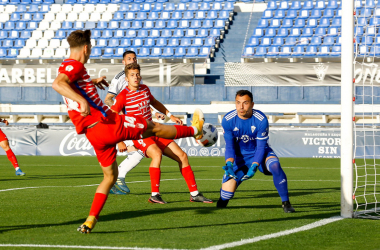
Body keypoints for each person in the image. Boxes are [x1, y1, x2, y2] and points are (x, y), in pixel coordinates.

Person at [52, 30, 205, 233]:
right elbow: (58, 83)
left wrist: (92, 83)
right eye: (90, 50)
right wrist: (81, 100)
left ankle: (90, 220)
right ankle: (194, 130)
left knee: (110, 177)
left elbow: (71, 84)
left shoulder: (72, 67)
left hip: (93, 135)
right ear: (86, 48)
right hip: (106, 123)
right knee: (153, 127)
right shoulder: (75, 65)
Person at [111, 62, 213, 204]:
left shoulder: (145, 89)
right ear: (126, 79)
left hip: (155, 131)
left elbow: (154, 102)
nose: (136, 77)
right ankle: (155, 195)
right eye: (132, 75)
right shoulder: (122, 96)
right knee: (156, 154)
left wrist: (170, 115)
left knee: (182, 156)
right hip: (139, 134)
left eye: (137, 74)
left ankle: (195, 194)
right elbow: (113, 117)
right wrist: (119, 140)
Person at [216, 90, 295, 213]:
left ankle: (286, 203)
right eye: (238, 103)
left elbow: (260, 147)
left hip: (260, 153)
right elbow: (230, 147)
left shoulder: (261, 120)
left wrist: (254, 166)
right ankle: (223, 198)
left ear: (252, 104)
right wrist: (229, 164)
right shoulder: (228, 120)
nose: (241, 107)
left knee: (275, 165)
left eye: (245, 103)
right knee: (226, 196)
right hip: (240, 158)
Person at [103, 50, 164, 195]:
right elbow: (108, 99)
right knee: (141, 150)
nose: (132, 60)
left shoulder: (136, 77)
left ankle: (114, 179)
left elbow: (139, 100)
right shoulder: (120, 78)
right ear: (123, 62)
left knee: (138, 151)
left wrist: (154, 112)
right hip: (124, 120)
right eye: (129, 58)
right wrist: (122, 111)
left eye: (134, 58)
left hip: (136, 121)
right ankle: (115, 178)